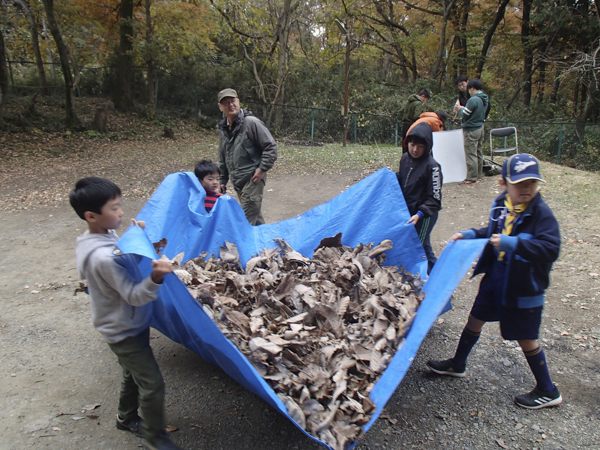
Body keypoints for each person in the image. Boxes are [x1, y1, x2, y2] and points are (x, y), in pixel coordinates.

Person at [427, 154, 562, 410]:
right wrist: (470, 234)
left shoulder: (541, 214)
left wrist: (514, 244)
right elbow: (492, 232)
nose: (526, 189)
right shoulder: (502, 203)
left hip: (524, 286)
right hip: (497, 276)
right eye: (519, 183)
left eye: (532, 183)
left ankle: (548, 389)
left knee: (526, 337)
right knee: (475, 317)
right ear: (503, 183)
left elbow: (550, 248)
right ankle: (458, 363)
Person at [69, 177, 183, 450]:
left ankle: (125, 417)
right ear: (91, 215)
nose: (121, 213)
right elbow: (133, 294)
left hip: (130, 322)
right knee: (152, 383)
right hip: (122, 331)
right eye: (115, 209)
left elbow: (120, 251)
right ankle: (156, 438)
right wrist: (156, 276)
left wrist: (135, 236)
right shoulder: (102, 259)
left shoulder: (99, 236)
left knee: (132, 373)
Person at [216, 88, 278, 225]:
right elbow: (223, 156)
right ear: (220, 107)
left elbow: (271, 146)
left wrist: (262, 169)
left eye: (233, 101)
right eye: (226, 103)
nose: (230, 105)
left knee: (243, 223)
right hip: (238, 182)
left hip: (253, 179)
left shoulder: (251, 123)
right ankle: (267, 243)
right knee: (256, 222)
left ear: (238, 102)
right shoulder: (223, 129)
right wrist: (223, 179)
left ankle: (237, 247)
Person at [397, 122, 442, 275]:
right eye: (412, 144)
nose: (415, 149)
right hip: (409, 213)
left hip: (424, 216)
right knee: (424, 247)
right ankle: (437, 278)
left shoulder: (433, 167)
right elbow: (403, 181)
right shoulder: (405, 159)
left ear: (428, 146)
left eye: (420, 146)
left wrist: (420, 214)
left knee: (417, 247)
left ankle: (427, 283)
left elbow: (435, 200)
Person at [454, 79, 489, 185]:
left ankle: (471, 177)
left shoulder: (473, 100)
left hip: (471, 129)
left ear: (472, 88)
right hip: (480, 127)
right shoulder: (484, 98)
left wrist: (459, 109)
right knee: (479, 152)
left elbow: (465, 114)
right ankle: (479, 175)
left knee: (471, 154)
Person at [401, 89, 431, 153]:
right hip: (412, 126)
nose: (424, 102)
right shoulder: (418, 103)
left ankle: (404, 159)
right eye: (426, 99)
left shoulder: (409, 101)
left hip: (405, 125)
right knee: (412, 144)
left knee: (405, 145)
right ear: (423, 96)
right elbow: (417, 116)